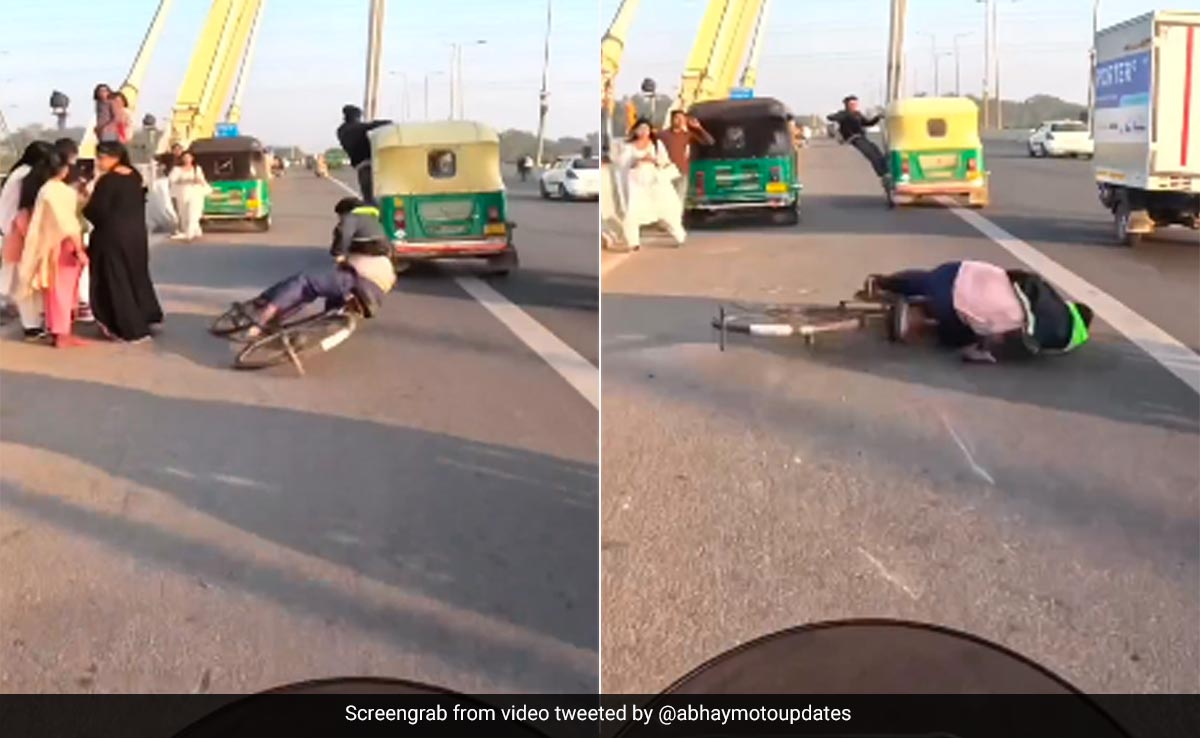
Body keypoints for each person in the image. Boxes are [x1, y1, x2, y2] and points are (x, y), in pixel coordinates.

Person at [867, 260, 1094, 363]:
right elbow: (990, 346)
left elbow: (1016, 275)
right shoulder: (1036, 340)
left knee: (928, 279)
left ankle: (883, 282)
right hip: (953, 309)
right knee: (955, 337)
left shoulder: (1043, 294)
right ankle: (921, 324)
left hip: (965, 271)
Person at [239, 197, 395, 335]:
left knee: (304, 281)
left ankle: (261, 321)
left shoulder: (353, 217)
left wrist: (338, 253)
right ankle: (323, 325)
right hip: (378, 289)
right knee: (328, 292)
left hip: (360, 280)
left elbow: (343, 232)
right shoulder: (374, 225)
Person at [83, 141, 163, 342]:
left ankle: (128, 327)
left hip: (111, 236)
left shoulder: (108, 181)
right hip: (135, 235)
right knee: (135, 275)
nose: (99, 162)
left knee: (115, 280)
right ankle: (145, 316)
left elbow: (96, 211)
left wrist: (85, 202)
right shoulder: (135, 176)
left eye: (102, 157)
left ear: (114, 157)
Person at [15, 149, 89, 348]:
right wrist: (79, 249)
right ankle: (62, 333)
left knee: (54, 291)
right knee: (64, 292)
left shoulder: (44, 189)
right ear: (64, 170)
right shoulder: (61, 191)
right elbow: (68, 224)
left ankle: (57, 331)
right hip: (64, 245)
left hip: (47, 246)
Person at [1, 141, 55, 332]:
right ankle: (31, 324)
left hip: (13, 229)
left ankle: (31, 322)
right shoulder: (26, 176)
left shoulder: (19, 173)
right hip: (19, 230)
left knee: (22, 281)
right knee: (26, 282)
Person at [617, 118, 685, 250]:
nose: (643, 132)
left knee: (665, 209)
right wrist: (636, 161)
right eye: (640, 129)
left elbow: (664, 161)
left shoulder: (656, 144)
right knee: (632, 211)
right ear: (635, 131)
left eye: (646, 129)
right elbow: (621, 164)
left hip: (654, 181)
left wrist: (652, 160)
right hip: (636, 183)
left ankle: (679, 235)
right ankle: (633, 242)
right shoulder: (628, 147)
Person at [53, 137, 94, 324]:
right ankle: (83, 305)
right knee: (79, 269)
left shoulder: (49, 176)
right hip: (76, 228)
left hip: (55, 231)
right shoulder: (77, 176)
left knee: (60, 275)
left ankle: (65, 311)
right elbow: (84, 201)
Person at [336, 105, 392, 203]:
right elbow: (370, 126)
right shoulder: (357, 129)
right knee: (380, 198)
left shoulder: (341, 130)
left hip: (361, 166)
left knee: (368, 198)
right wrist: (390, 122)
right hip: (370, 165)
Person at [658, 110, 714, 203]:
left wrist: (699, 128)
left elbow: (709, 142)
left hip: (682, 171)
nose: (680, 121)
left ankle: (677, 217)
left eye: (682, 119)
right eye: (677, 118)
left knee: (679, 199)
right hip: (666, 171)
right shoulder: (662, 135)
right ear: (672, 120)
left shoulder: (687, 135)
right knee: (666, 200)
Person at [827, 95, 887, 182]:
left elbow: (867, 123)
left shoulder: (858, 114)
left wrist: (877, 117)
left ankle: (886, 169)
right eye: (851, 104)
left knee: (875, 149)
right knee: (870, 153)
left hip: (861, 136)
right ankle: (882, 173)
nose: (854, 106)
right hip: (853, 138)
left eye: (855, 104)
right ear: (847, 105)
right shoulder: (844, 114)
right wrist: (835, 117)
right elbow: (830, 117)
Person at [168, 150, 210, 241]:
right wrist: (185, 180)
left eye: (189, 157)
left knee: (193, 212)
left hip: (195, 193)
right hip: (182, 194)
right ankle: (193, 230)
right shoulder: (177, 169)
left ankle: (189, 233)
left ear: (192, 158)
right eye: (185, 157)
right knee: (184, 214)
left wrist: (198, 181)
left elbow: (202, 180)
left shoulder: (197, 169)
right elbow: (172, 180)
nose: (187, 159)